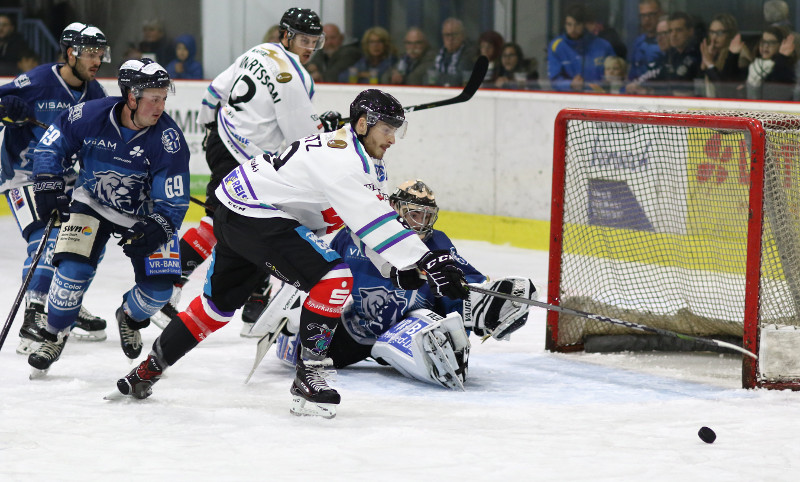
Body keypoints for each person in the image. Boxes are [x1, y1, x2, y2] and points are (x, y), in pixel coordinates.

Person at [114, 89, 470, 420]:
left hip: (237, 208)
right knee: (334, 279)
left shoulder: (362, 155)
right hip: (255, 214)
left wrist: (394, 269)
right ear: (363, 124)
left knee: (216, 307)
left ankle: (148, 370)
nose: (392, 139)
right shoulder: (342, 158)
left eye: (397, 131)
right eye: (387, 130)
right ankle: (309, 376)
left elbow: (360, 221)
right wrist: (425, 259)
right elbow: (374, 220)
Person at [249, 179, 537, 390]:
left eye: (427, 216)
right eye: (414, 214)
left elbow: (465, 280)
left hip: (410, 324)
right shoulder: (354, 238)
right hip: (360, 328)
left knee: (444, 341)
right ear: (396, 210)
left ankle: (408, 346)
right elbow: (321, 273)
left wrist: (484, 304)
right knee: (302, 350)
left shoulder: (437, 243)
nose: (421, 223)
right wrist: (296, 309)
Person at [162, 8, 340, 332]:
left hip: (220, 142)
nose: (310, 46)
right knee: (245, 223)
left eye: (315, 40)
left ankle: (254, 298)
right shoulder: (297, 76)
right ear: (285, 35)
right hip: (245, 160)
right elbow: (303, 140)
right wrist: (325, 129)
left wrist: (208, 128)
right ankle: (171, 291)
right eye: (304, 39)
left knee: (248, 221)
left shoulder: (258, 52)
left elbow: (214, 91)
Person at [27, 58, 190, 372]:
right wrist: (48, 182)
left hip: (144, 215)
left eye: (164, 98)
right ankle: (55, 332)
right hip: (92, 203)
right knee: (70, 274)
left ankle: (128, 315)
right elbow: (51, 146)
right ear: (131, 96)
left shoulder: (168, 141)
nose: (160, 106)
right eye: (153, 98)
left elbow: (173, 202)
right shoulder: (90, 114)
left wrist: (160, 226)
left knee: (159, 292)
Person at [0, 22, 111, 355]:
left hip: (63, 179)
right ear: (70, 53)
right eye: (90, 53)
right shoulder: (37, 81)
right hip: (22, 176)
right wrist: (6, 111)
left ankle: (67, 305)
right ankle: (33, 314)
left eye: (100, 54)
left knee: (84, 240)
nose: (96, 61)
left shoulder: (95, 95)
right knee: (43, 239)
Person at [626, 12, 701, 96]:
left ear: (690, 31)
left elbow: (682, 90)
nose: (673, 35)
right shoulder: (671, 56)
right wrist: (639, 85)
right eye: (670, 31)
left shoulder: (697, 55)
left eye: (678, 30)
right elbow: (658, 76)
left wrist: (650, 91)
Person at [547, 4, 616, 92]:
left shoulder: (603, 46)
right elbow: (554, 79)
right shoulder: (556, 46)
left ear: (585, 25)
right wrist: (570, 84)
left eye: (577, 24)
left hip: (599, 97)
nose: (572, 29)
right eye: (569, 24)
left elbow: (616, 75)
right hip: (569, 97)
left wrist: (608, 82)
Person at [698, 13, 752, 99]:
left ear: (730, 34)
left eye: (719, 33)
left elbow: (724, 89)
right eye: (712, 32)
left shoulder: (739, 56)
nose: (714, 38)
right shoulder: (715, 53)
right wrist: (704, 65)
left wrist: (710, 64)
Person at [747, 26, 796, 100]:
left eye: (772, 42)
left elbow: (774, 91)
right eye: (763, 41)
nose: (765, 46)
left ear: (781, 44)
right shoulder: (752, 65)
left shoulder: (787, 66)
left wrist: (782, 58)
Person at [429, 17, 479, 87]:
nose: (450, 39)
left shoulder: (470, 53)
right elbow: (426, 78)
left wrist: (437, 77)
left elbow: (458, 79)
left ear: (463, 35)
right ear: (442, 37)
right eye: (447, 35)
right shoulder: (436, 54)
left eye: (454, 34)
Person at [628, 0, 664, 80]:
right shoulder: (638, 42)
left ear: (660, 14)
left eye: (651, 14)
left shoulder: (666, 42)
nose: (647, 19)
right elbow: (632, 74)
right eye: (643, 16)